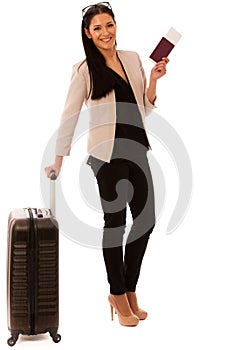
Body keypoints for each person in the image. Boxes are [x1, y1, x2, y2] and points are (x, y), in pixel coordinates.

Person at [45, 2, 169, 327]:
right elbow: (69, 115)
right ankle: (117, 293)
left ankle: (128, 290)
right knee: (115, 225)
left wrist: (154, 80)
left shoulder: (132, 59)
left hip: (138, 150)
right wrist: (58, 158)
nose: (105, 32)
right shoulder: (85, 70)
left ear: (117, 26)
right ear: (88, 33)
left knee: (146, 221)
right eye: (97, 28)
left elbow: (144, 107)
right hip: (107, 157)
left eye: (109, 25)